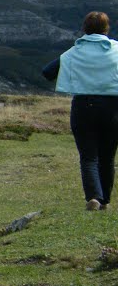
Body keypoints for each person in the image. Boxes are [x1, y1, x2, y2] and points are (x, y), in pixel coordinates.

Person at [44, 11, 118, 210]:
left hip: (83, 106)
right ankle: (105, 202)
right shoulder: (117, 50)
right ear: (106, 28)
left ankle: (93, 197)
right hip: (113, 109)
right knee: (107, 157)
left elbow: (48, 72)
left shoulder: (73, 52)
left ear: (85, 28)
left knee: (88, 156)